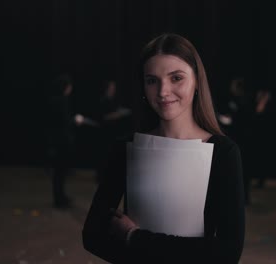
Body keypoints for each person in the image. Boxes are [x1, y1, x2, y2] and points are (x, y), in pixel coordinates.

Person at [82, 33, 245, 263]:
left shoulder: (223, 153)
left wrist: (134, 238)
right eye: (152, 80)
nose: (162, 91)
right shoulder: (126, 147)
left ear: (197, 80)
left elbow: (227, 254)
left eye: (176, 78)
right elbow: (92, 236)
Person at [45, 74, 83, 209]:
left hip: (55, 140)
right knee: (60, 171)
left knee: (58, 171)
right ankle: (60, 198)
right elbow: (64, 122)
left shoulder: (52, 100)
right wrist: (75, 121)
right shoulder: (63, 101)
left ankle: (59, 196)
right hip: (62, 141)